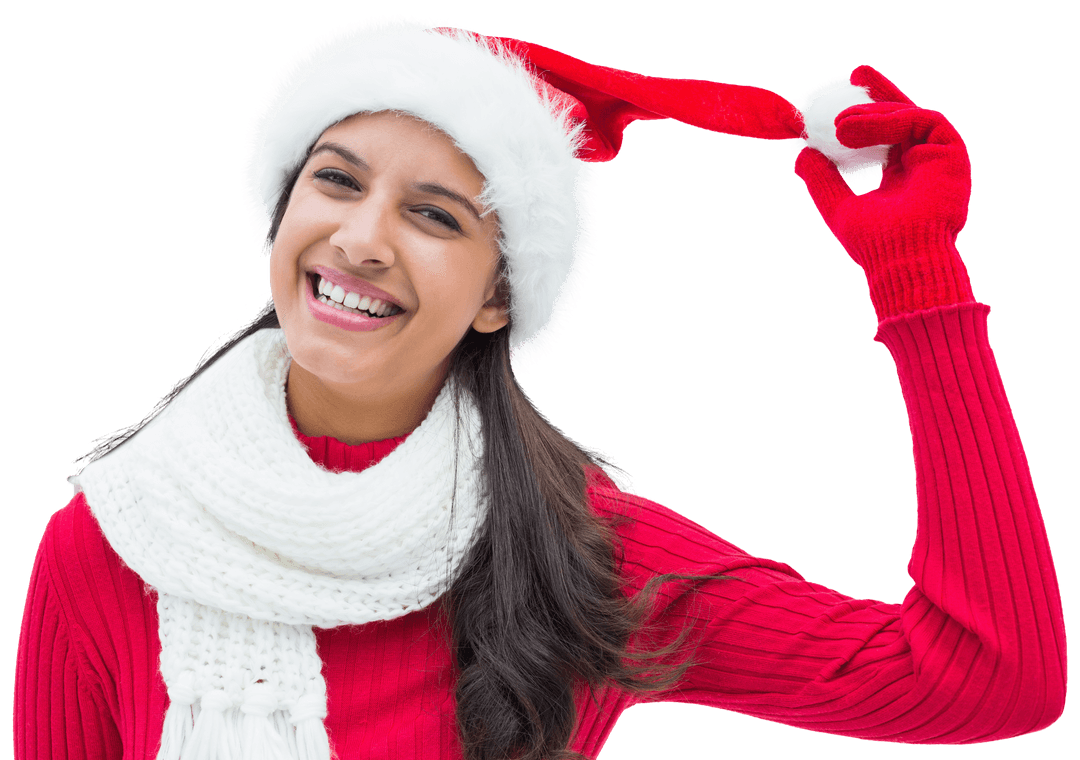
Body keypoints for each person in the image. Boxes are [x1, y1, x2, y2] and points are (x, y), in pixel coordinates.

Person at [12, 16, 1066, 760]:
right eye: (335, 179)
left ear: (495, 298)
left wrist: (916, 280)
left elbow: (987, 678)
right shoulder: (116, 541)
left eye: (436, 216)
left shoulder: (580, 558)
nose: (362, 237)